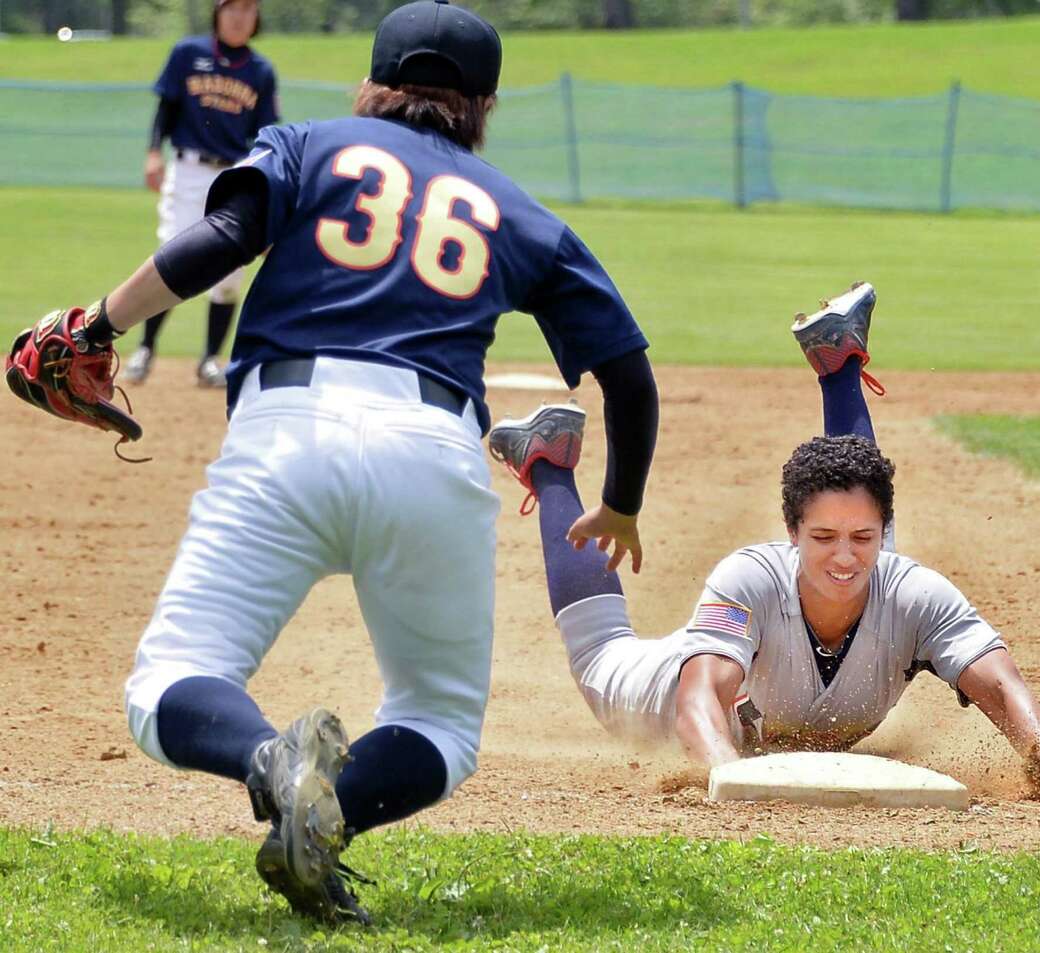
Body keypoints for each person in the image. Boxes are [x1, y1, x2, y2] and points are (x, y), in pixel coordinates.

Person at [16, 0, 656, 924]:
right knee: (439, 721)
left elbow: (220, 243)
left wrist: (99, 323)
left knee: (166, 684)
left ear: (374, 85)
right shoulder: (519, 212)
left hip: (287, 431)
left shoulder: (308, 145)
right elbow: (629, 377)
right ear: (484, 106)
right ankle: (329, 815)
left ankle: (267, 761)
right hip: (433, 453)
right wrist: (622, 503)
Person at [490, 282, 1040, 806]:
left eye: (864, 536)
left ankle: (837, 362)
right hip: (655, 686)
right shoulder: (752, 578)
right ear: (788, 532)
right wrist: (730, 777)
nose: (845, 552)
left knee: (869, 560)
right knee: (601, 649)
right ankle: (548, 465)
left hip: (845, 604)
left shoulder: (914, 594)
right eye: (819, 535)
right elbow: (695, 699)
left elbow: (1004, 687)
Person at [130, 0, 279, 387]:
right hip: (189, 169)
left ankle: (211, 359)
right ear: (217, 12)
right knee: (172, 255)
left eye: (248, 9)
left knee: (231, 273)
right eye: (232, 7)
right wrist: (152, 154)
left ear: (256, 18)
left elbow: (264, 136)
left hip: (234, 174)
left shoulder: (261, 71)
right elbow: (166, 108)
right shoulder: (188, 53)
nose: (239, 16)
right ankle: (145, 349)